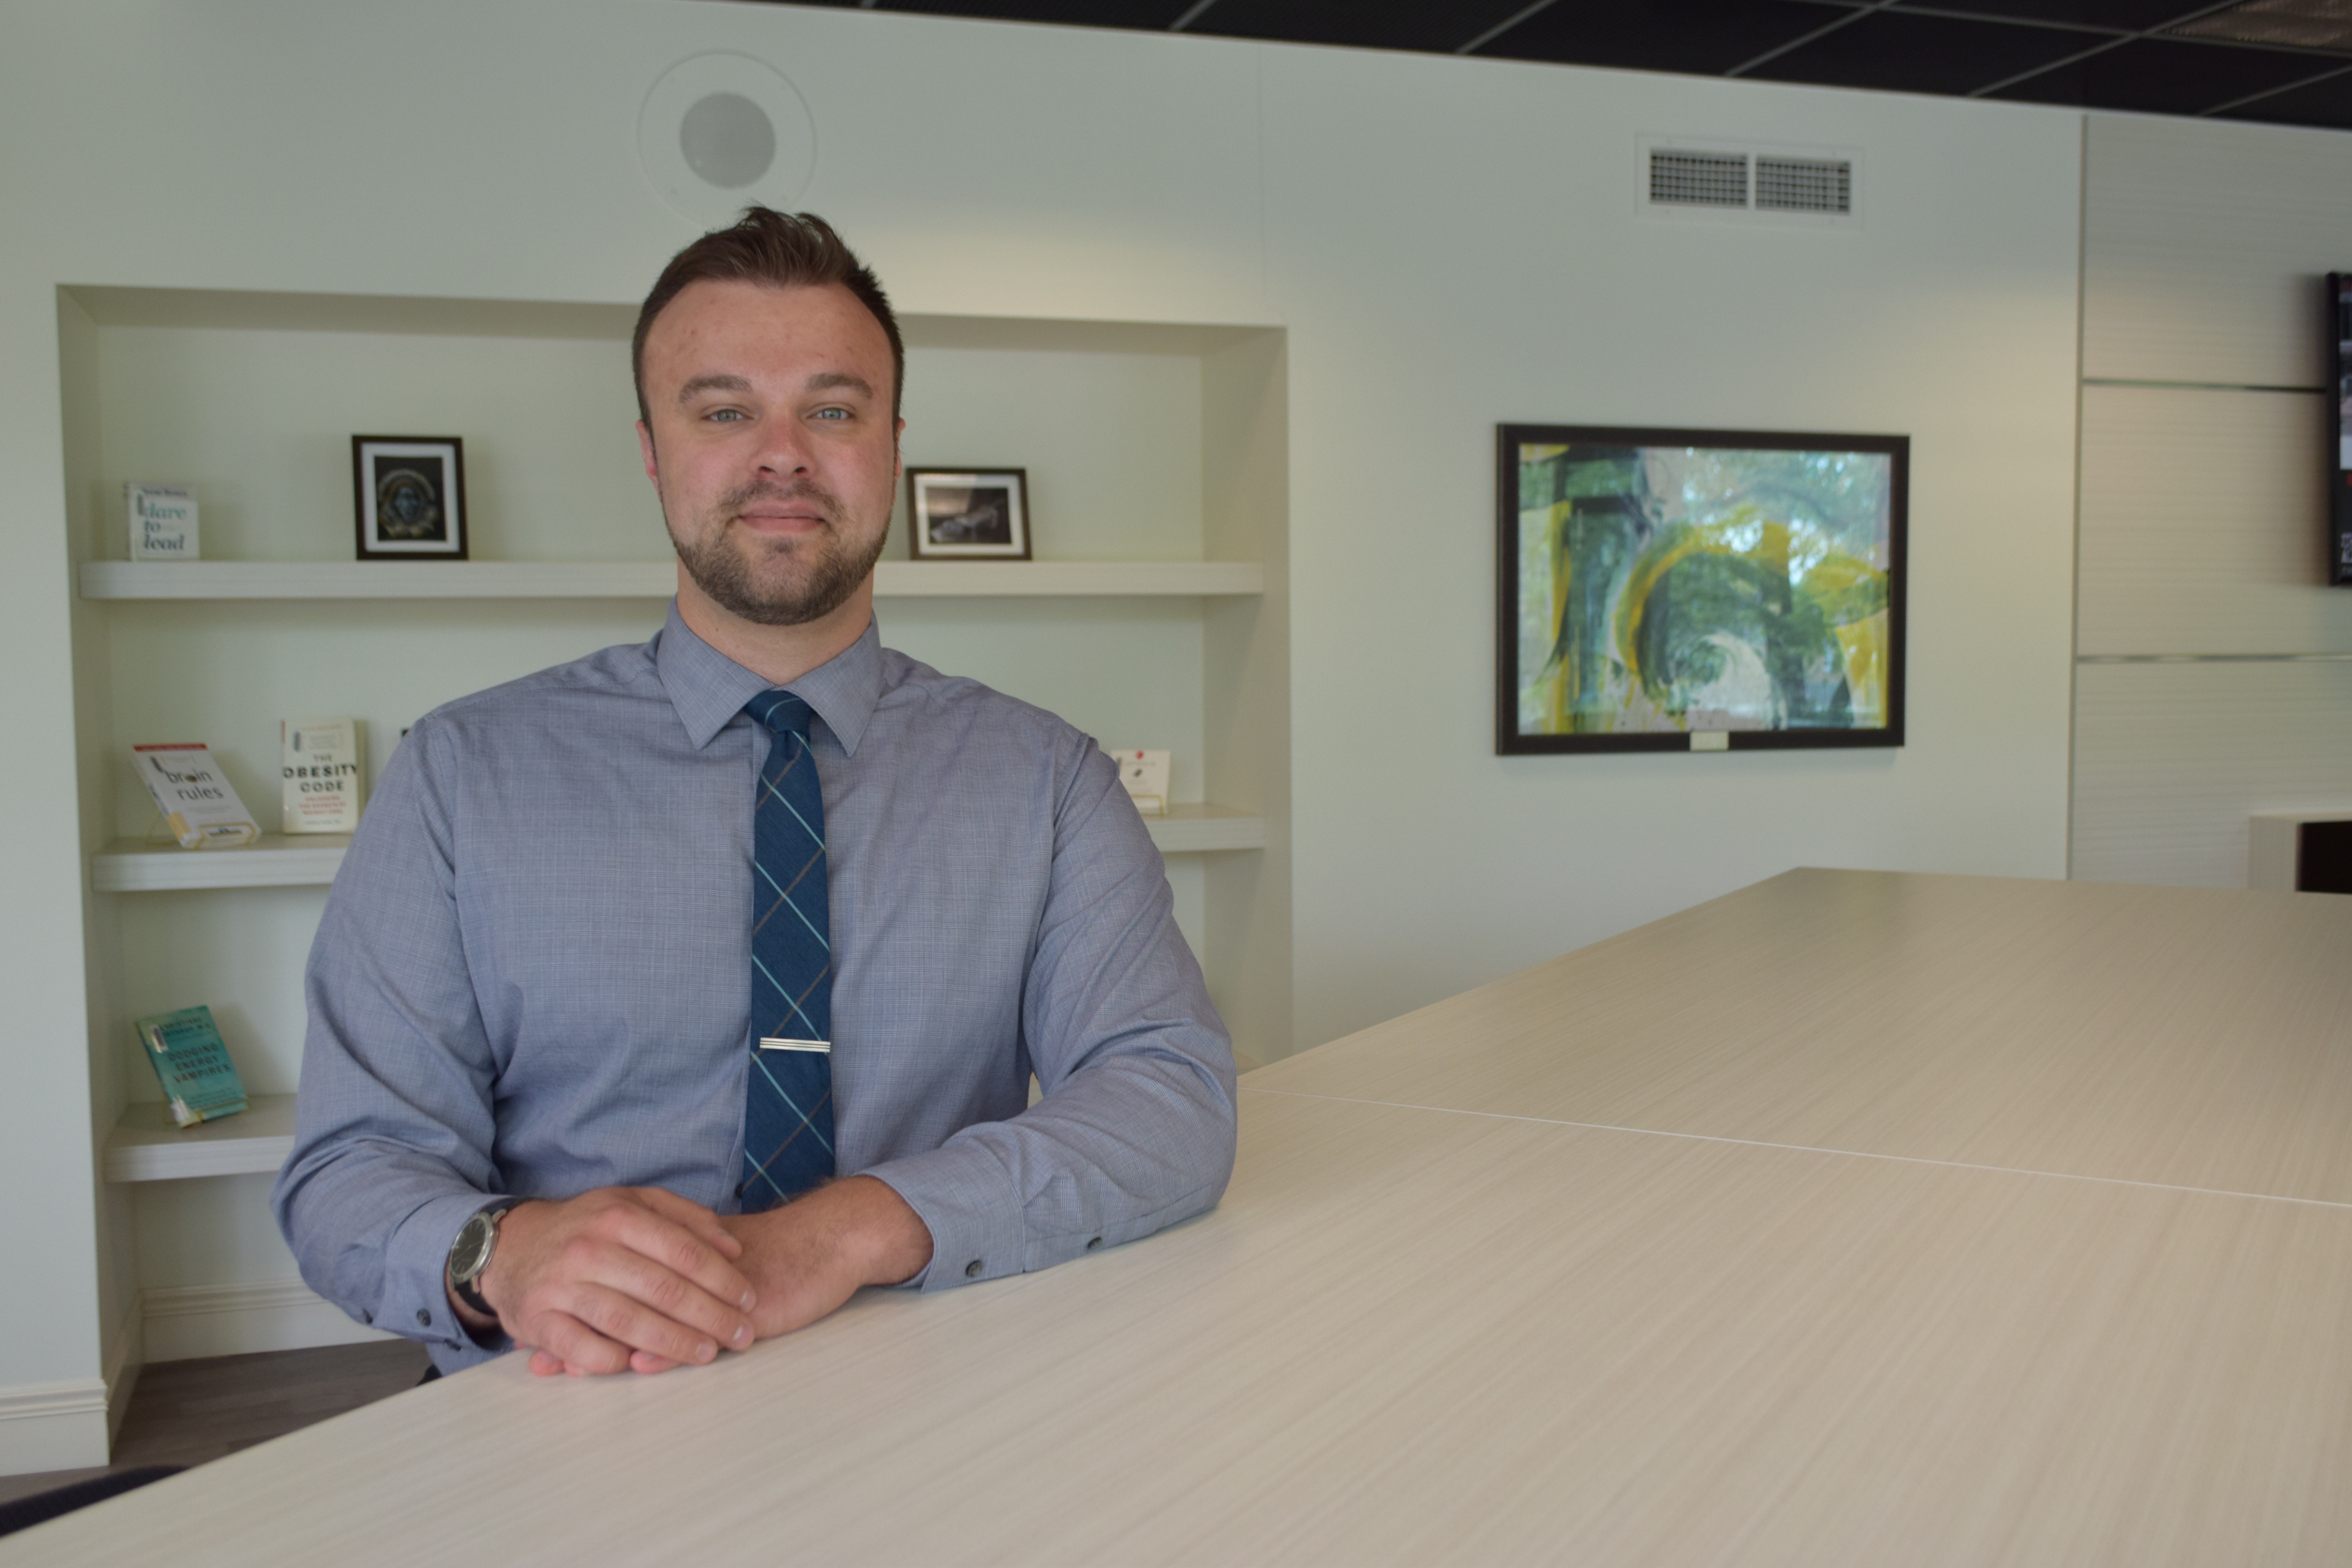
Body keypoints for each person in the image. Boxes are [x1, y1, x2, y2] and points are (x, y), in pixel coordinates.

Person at [271, 209, 1238, 1379]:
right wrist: (505, 1255)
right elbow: (348, 1173)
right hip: (568, 1420)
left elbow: (1171, 1100)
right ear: (652, 450)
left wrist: (840, 1233)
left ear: (891, 444)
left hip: (938, 1392)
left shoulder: (1048, 782)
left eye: (832, 410)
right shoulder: (458, 777)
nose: (783, 454)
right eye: (725, 411)